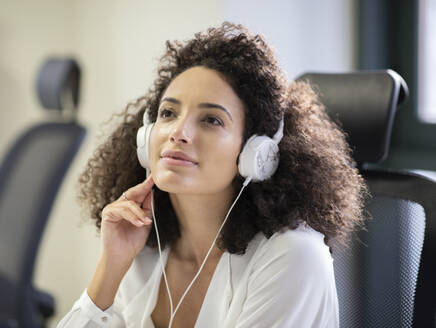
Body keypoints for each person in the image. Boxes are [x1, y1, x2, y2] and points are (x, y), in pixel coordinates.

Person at [57, 22, 367, 328]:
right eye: (168, 113)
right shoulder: (143, 249)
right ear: (146, 136)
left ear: (255, 153)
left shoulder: (293, 257)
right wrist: (111, 267)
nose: (178, 132)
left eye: (211, 120)